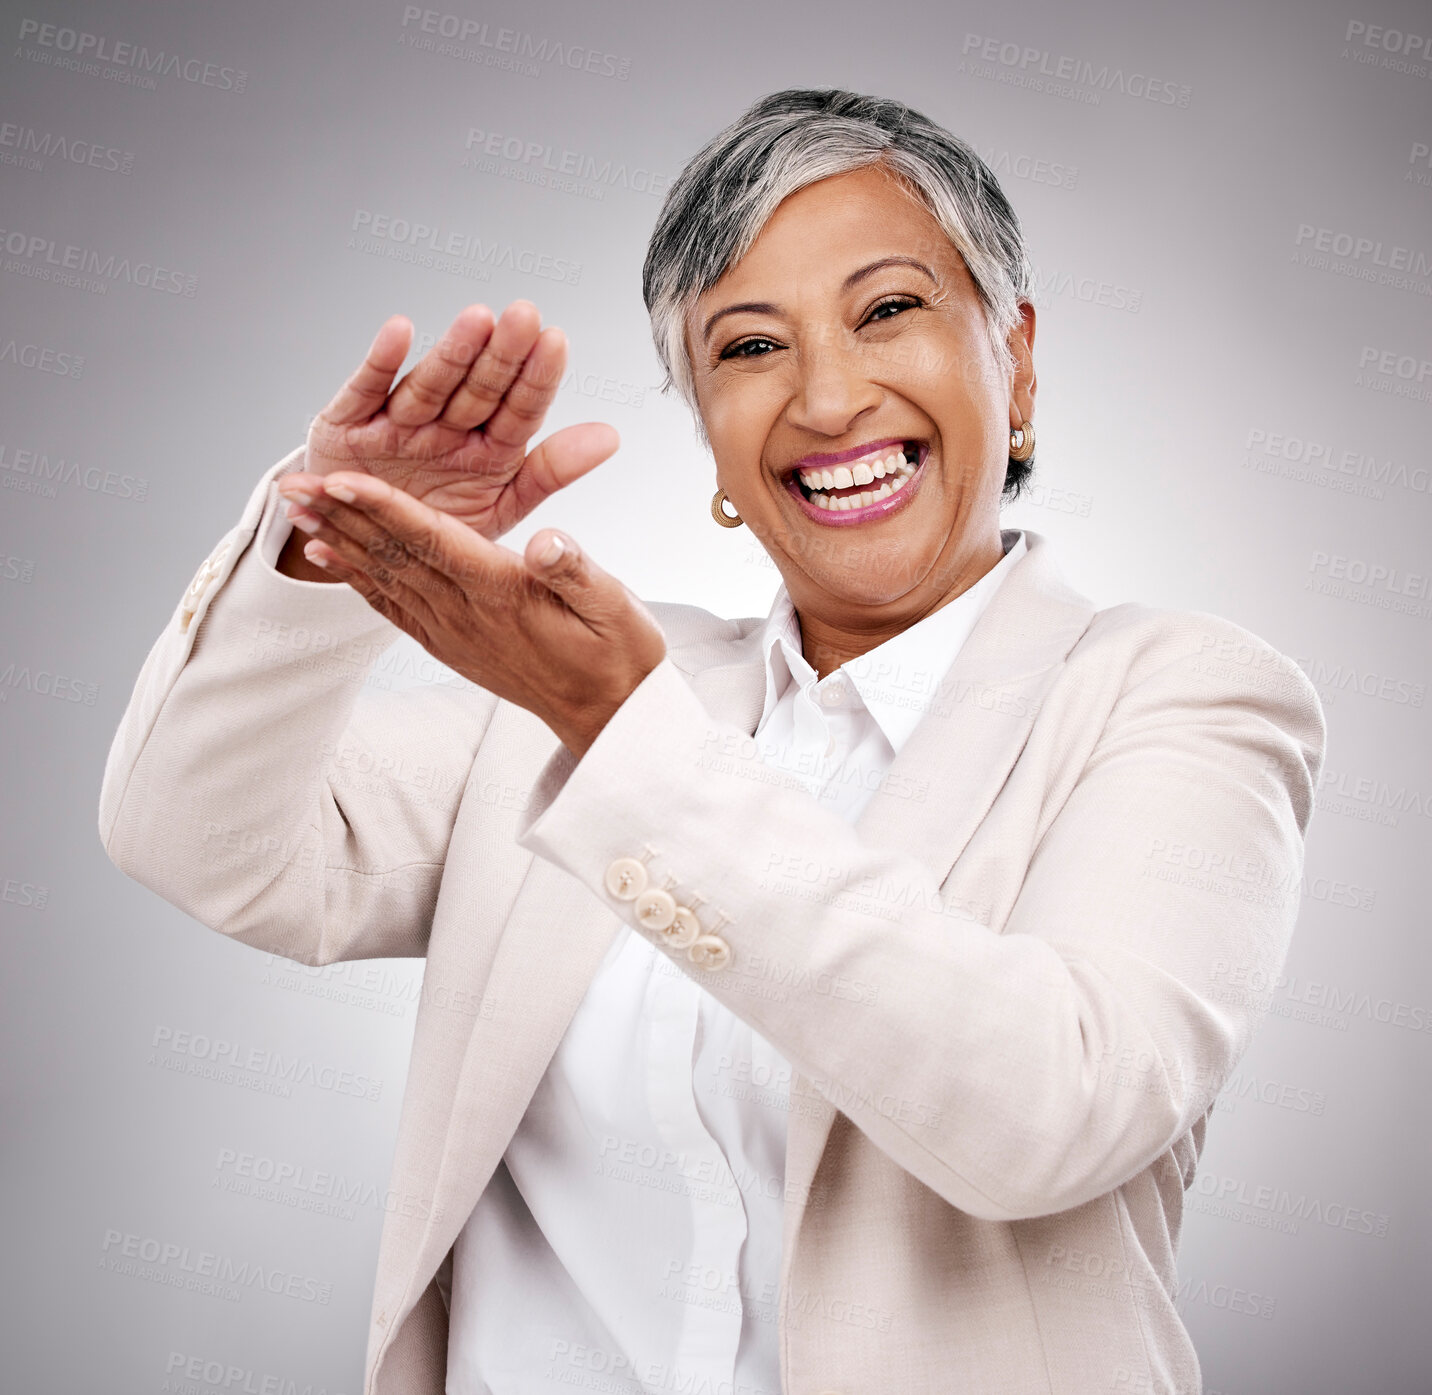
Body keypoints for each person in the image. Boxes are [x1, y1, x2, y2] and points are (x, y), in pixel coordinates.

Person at [99, 89, 1325, 1395]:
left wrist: (623, 743)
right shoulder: (580, 688)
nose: (829, 394)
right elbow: (203, 841)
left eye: (890, 309)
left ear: (1015, 361)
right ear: (714, 445)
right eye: (748, 347)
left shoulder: (1179, 696)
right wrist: (328, 546)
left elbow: (1047, 1114)